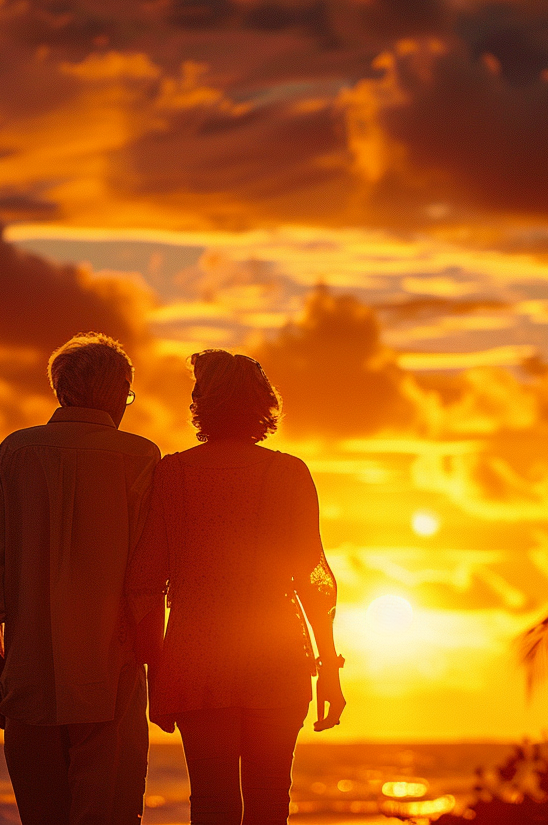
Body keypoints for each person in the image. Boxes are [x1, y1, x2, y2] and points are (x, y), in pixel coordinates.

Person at [127, 349, 345, 825]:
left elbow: (145, 586)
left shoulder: (173, 474)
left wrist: (156, 676)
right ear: (260, 403)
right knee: (270, 804)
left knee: (212, 806)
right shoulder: (288, 473)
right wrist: (329, 667)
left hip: (196, 659)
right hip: (278, 656)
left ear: (202, 403)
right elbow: (314, 579)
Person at [0, 332, 160, 825]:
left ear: (61, 391)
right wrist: (160, 665)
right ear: (121, 390)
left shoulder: (16, 453)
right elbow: (146, 580)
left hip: (29, 672)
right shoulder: (139, 458)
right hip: (114, 674)